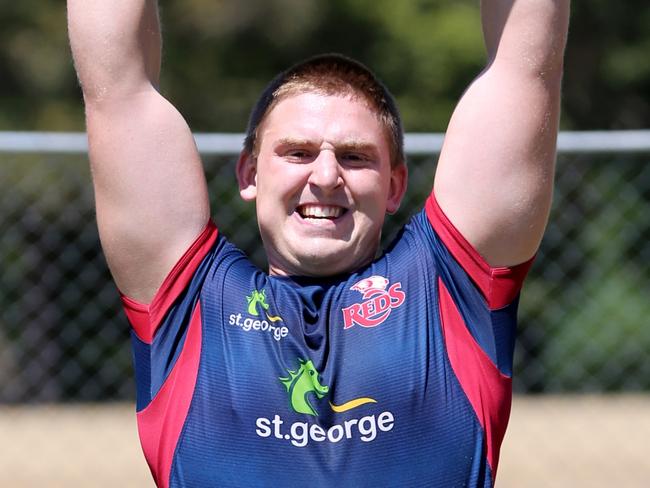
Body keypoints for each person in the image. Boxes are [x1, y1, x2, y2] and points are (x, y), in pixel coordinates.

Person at [67, 0, 569, 486]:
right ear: (249, 174)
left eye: (354, 157)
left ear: (395, 185)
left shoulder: (450, 284)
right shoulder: (190, 301)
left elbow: (523, 65)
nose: (326, 176)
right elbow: (117, 88)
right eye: (298, 152)